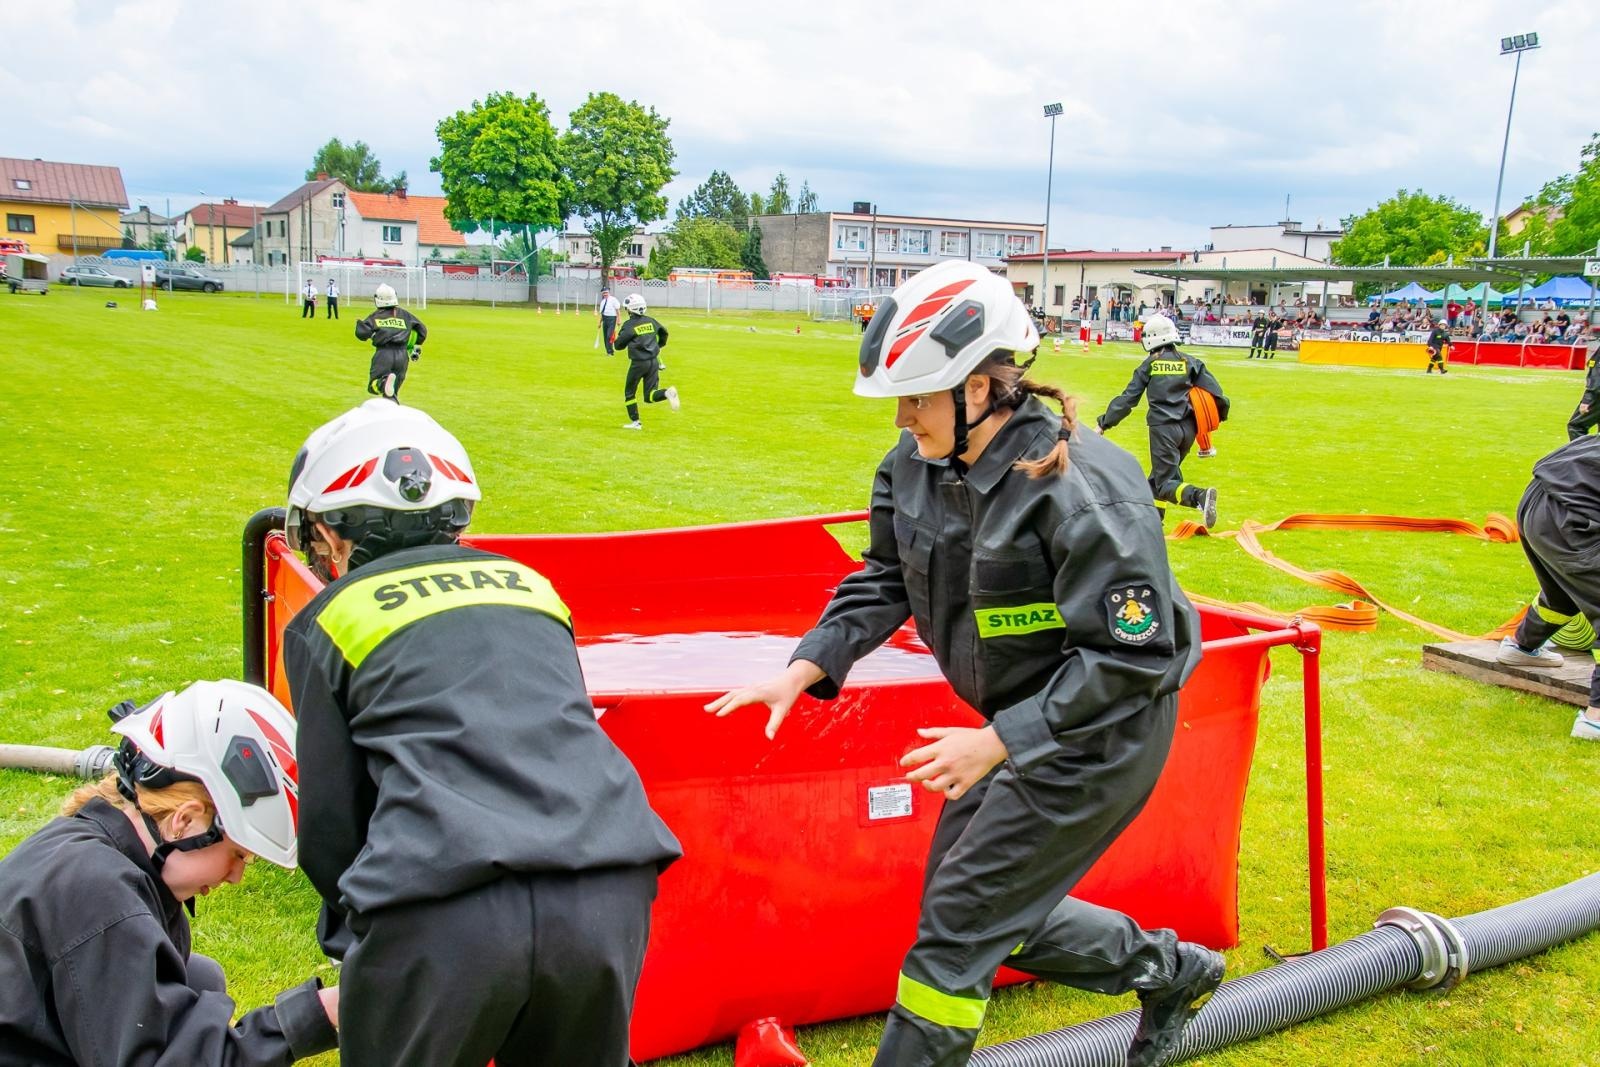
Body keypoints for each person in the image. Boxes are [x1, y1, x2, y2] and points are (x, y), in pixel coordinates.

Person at [705, 260, 1223, 1067]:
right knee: (985, 911)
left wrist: (999, 740)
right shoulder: (912, 464)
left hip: (1103, 730)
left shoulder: (1082, 487)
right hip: (1014, 725)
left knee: (956, 929)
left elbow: (1136, 658)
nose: (902, 417)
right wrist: (803, 667)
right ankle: (1169, 970)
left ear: (977, 388)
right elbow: (885, 575)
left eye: (916, 397)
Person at [282, 399, 682, 1066]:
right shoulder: (531, 588)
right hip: (605, 881)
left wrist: (362, 927)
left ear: (331, 528)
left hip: (441, 902)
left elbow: (330, 822)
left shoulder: (332, 617)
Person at [0, 679, 339, 1065]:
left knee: (199, 978)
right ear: (186, 821)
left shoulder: (91, 848)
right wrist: (323, 1012)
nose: (236, 876)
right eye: (239, 854)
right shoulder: (100, 897)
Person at [1495, 435, 1600, 741]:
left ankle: (1522, 647)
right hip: (1573, 516)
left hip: (1538, 500)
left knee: (1560, 595)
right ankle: (1595, 720)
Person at [1098, 314, 1225, 528]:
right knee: (1157, 479)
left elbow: (1128, 400)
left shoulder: (1149, 365)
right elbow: (1218, 396)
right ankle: (1154, 522)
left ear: (1150, 338)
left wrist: (1104, 423)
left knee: (1166, 483)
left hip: (1163, 429)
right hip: (1188, 430)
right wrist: (1211, 425)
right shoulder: (1190, 362)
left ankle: (1199, 496)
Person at [614, 292, 680, 430]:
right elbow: (664, 333)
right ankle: (667, 392)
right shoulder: (651, 321)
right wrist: (658, 345)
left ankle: (636, 422)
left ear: (630, 309)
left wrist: (616, 337)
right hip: (653, 362)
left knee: (629, 393)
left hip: (638, 364)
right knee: (649, 396)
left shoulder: (629, 325)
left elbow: (618, 346)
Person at [354, 283, 426, 399]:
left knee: (374, 386)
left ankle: (383, 382)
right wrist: (412, 343)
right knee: (392, 393)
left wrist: (370, 333)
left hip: (384, 353)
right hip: (402, 355)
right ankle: (391, 399)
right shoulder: (405, 315)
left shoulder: (376, 316)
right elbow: (422, 331)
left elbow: (361, 332)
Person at [1566, 342, 1600, 439]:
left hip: (1597, 396)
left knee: (1576, 426)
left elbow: (1597, 376)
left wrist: (1587, 399)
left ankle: (1583, 449)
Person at [597, 286, 622, 354]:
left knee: (609, 336)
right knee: (605, 336)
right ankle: (608, 351)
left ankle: (610, 351)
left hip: (612, 319)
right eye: (604, 293)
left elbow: (618, 311)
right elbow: (602, 313)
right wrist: (599, 322)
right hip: (605, 319)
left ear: (609, 292)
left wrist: (619, 319)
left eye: (606, 292)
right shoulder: (603, 302)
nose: (605, 294)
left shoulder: (613, 300)